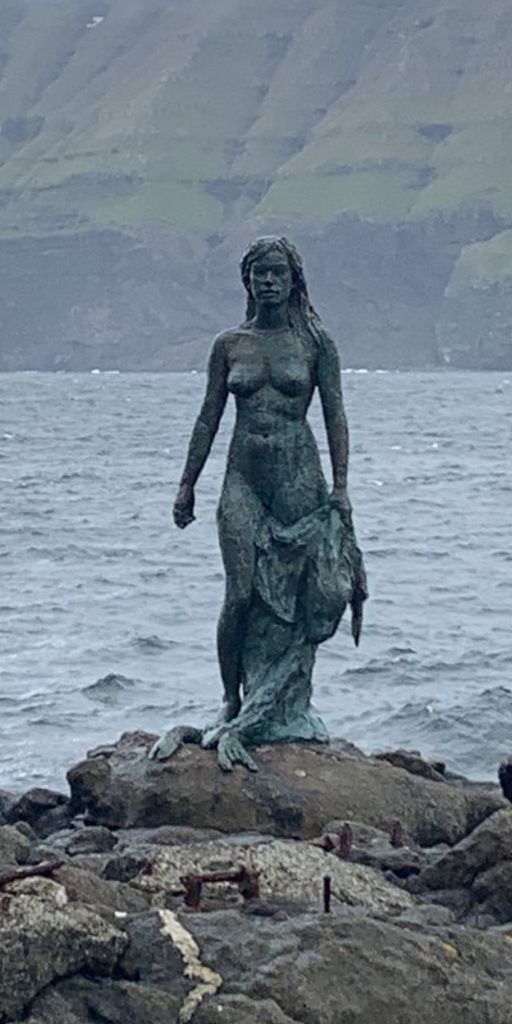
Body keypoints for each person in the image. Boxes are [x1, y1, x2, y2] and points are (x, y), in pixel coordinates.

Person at [159, 236, 366, 772]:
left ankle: (286, 705)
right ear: (247, 281)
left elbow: (335, 416)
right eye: (259, 273)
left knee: (302, 601)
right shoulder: (229, 345)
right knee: (241, 592)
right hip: (243, 480)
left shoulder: (316, 343)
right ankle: (234, 697)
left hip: (299, 480)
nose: (268, 281)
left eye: (278, 272)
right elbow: (208, 417)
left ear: (293, 280)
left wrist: (341, 488)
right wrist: (188, 485)